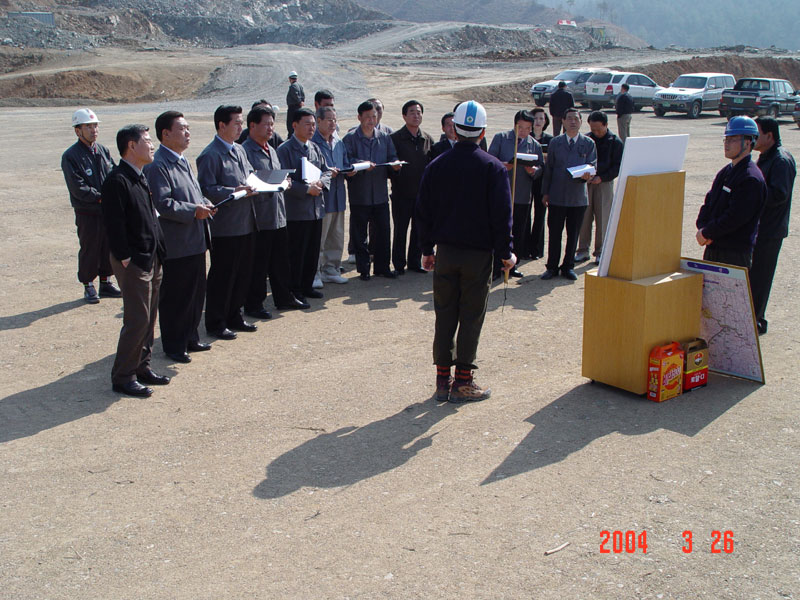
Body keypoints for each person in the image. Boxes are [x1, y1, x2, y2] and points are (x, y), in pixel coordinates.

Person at [415, 100, 515, 403]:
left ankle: (442, 380)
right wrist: (506, 253)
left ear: (455, 130)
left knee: (444, 313)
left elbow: (423, 211)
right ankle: (463, 381)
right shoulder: (493, 168)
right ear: (482, 131)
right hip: (478, 256)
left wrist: (426, 249)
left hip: (445, 252)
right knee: (471, 315)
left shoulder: (437, 165)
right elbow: (502, 216)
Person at [101, 124, 168, 398]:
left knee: (150, 317)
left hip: (151, 257)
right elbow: (114, 226)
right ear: (131, 146)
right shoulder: (117, 180)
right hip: (135, 262)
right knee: (137, 319)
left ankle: (142, 366)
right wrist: (126, 258)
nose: (151, 146)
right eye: (147, 141)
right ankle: (123, 376)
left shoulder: (139, 176)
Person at [145, 111, 216, 365]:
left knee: (196, 292)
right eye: (182, 129)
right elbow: (163, 203)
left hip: (196, 238)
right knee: (176, 295)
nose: (188, 133)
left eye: (188, 128)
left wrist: (205, 203)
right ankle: (174, 344)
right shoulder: (158, 164)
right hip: (177, 242)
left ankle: (191, 336)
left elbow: (195, 192)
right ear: (165, 134)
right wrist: (194, 211)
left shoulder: (183, 160)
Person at [196, 105, 259, 340]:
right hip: (226, 226)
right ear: (222, 125)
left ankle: (235, 315)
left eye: (241, 123)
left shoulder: (240, 150)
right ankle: (216, 321)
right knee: (224, 275)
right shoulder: (210, 155)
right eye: (237, 123)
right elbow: (206, 189)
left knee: (243, 272)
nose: (240, 127)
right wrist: (234, 190)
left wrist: (257, 184)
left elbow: (249, 174)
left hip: (246, 222)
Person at [242, 106, 310, 315]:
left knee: (281, 262)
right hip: (259, 216)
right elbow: (248, 182)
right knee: (259, 265)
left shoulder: (271, 149)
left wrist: (285, 181)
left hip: (278, 214)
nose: (271, 128)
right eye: (266, 124)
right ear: (252, 126)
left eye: (272, 124)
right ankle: (254, 304)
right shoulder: (245, 151)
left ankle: (284, 298)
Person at [61, 108, 121, 304]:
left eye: (95, 126)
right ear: (77, 131)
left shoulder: (102, 151)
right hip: (88, 212)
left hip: (107, 210)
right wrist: (101, 197)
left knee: (108, 246)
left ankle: (106, 282)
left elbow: (114, 173)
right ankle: (88, 284)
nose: (93, 130)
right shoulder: (71, 156)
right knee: (90, 247)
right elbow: (78, 187)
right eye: (88, 126)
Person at [696, 116, 767, 270]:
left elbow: (735, 217)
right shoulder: (726, 172)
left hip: (734, 254)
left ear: (748, 142)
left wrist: (708, 233)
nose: (727, 143)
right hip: (713, 246)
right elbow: (709, 202)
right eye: (726, 139)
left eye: (733, 139)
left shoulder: (750, 178)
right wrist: (702, 228)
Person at [343, 100, 402, 280]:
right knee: (360, 235)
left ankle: (383, 267)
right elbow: (346, 163)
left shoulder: (384, 137)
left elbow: (392, 156)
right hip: (360, 195)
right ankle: (364, 269)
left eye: (374, 117)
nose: (371, 120)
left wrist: (395, 165)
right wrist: (360, 166)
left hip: (380, 195)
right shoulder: (350, 138)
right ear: (359, 117)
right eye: (367, 117)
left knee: (384, 232)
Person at [276, 107, 331, 301]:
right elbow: (283, 180)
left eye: (314, 124)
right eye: (307, 124)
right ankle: (295, 290)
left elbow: (326, 171)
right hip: (296, 211)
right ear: (294, 125)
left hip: (316, 209)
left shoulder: (314, 147)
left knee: (312, 251)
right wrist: (305, 189)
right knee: (296, 253)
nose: (311, 128)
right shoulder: (284, 150)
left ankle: (307, 286)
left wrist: (322, 183)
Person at [751, 116, 796, 335]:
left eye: (757, 133)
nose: (753, 138)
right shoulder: (765, 157)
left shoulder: (780, 160)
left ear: (769, 136)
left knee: (760, 278)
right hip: (760, 229)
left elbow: (779, 194)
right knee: (752, 276)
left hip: (771, 231)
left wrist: (751, 194)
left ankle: (757, 321)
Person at [540, 108, 597, 281]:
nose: (573, 121)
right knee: (555, 234)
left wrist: (589, 175)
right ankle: (551, 267)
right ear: (563, 122)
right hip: (557, 195)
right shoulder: (556, 143)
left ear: (581, 122)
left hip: (578, 198)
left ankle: (568, 266)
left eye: (576, 119)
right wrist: (545, 192)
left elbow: (593, 165)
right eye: (569, 119)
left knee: (573, 234)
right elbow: (548, 169)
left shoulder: (588, 144)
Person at [488, 109, 543, 277]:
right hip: (501, 194)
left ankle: (513, 264)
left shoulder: (535, 145)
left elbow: (540, 168)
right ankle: (497, 264)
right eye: (521, 128)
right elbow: (489, 160)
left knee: (518, 231)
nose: (524, 131)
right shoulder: (501, 138)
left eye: (528, 128)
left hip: (522, 195)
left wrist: (533, 171)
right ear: (514, 125)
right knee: (499, 229)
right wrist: (502, 165)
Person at [390, 100, 434, 274]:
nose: (416, 116)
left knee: (418, 229)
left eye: (419, 112)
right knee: (400, 230)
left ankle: (415, 262)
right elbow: (389, 166)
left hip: (421, 195)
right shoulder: (395, 138)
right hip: (401, 193)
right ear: (404, 116)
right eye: (412, 112)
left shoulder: (428, 139)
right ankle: (399, 264)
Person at [575, 110, 624, 265]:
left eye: (599, 129)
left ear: (606, 125)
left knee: (603, 217)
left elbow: (618, 166)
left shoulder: (615, 142)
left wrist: (602, 177)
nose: (596, 132)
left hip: (604, 183)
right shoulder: (587, 139)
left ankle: (601, 251)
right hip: (586, 182)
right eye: (593, 129)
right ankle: (582, 250)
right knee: (584, 217)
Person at [312, 105, 351, 285]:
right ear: (318, 121)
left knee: (336, 235)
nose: (332, 124)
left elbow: (345, 162)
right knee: (320, 236)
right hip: (321, 197)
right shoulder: (312, 142)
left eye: (335, 120)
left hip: (338, 196)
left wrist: (349, 169)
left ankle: (331, 269)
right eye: (329, 120)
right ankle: (316, 272)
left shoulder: (338, 142)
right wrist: (327, 173)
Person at [529, 107, 553, 260]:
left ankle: (536, 249)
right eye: (535, 118)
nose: (538, 122)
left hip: (542, 181)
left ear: (545, 122)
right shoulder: (526, 137)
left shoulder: (550, 140)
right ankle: (524, 248)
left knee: (540, 215)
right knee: (525, 215)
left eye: (541, 119)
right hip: (527, 180)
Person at [285, 71, 305, 136]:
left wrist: (299, 101)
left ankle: (291, 137)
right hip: (298, 108)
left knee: (290, 124)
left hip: (292, 108)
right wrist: (301, 101)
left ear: (290, 78)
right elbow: (303, 95)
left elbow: (295, 95)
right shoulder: (300, 86)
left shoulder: (293, 86)